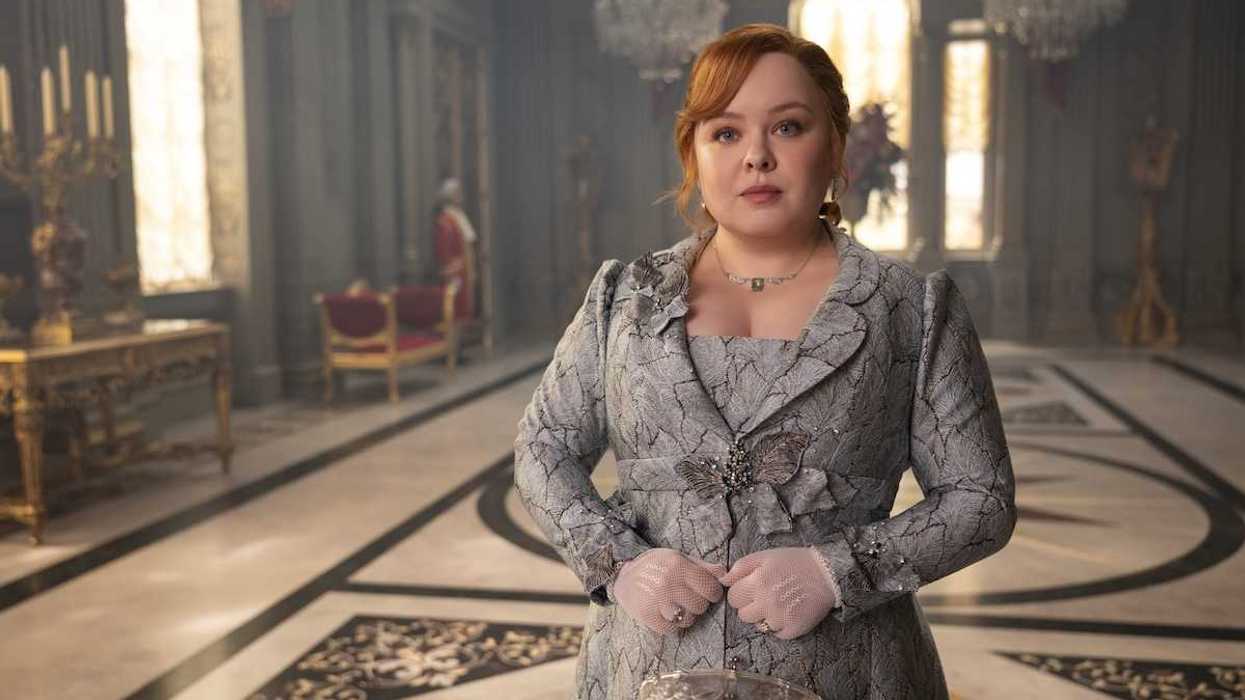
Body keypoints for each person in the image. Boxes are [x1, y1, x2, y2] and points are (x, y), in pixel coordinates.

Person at [514, 23, 1015, 700]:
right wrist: (619, 562)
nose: (755, 156)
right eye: (725, 132)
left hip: (849, 669)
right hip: (647, 666)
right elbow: (544, 447)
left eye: (787, 127)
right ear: (691, 150)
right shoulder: (624, 297)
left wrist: (841, 571)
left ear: (834, 146)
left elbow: (980, 500)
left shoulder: (911, 307)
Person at [434, 177, 477, 321]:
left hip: (464, 268)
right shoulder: (445, 220)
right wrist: (451, 267)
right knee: (454, 312)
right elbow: (444, 248)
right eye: (456, 192)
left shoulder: (459, 215)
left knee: (464, 310)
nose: (460, 195)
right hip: (455, 270)